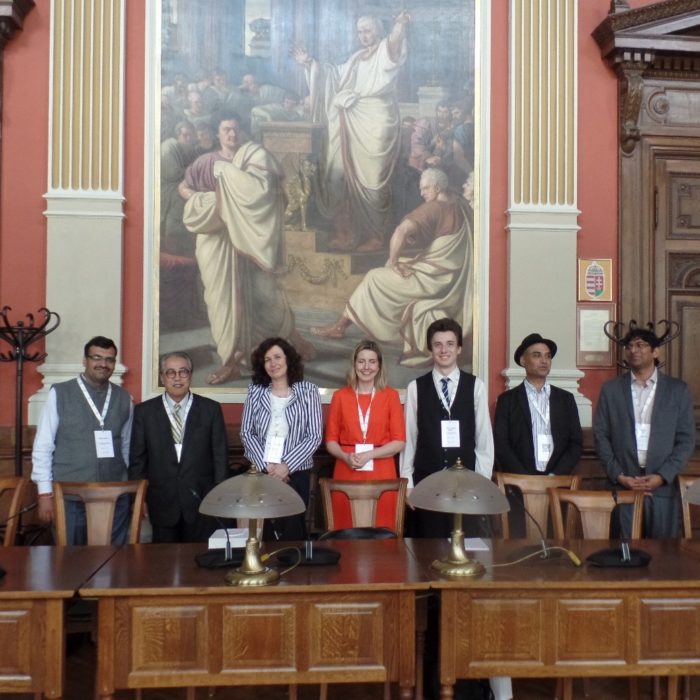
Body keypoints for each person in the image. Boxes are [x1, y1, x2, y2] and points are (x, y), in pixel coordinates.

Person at [180, 112, 315, 385]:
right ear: (218, 133)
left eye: (236, 129)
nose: (232, 134)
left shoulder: (254, 157)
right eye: (226, 129)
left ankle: (291, 338)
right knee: (221, 298)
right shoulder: (206, 161)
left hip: (251, 238)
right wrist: (205, 200)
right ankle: (230, 360)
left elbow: (268, 195)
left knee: (267, 293)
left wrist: (231, 189)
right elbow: (184, 188)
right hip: (216, 238)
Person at [311, 168, 473, 368]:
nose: (422, 193)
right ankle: (345, 325)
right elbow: (441, 240)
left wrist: (393, 261)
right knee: (401, 265)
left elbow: (401, 231)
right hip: (451, 280)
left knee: (374, 277)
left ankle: (340, 327)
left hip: (431, 281)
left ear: (438, 188)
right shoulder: (460, 206)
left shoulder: (433, 208)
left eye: (425, 188)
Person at [292, 12, 411, 251]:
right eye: (360, 32)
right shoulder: (356, 57)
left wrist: (399, 24)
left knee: (373, 180)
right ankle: (348, 234)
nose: (363, 36)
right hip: (349, 120)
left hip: (376, 120)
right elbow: (333, 77)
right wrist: (310, 64)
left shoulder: (385, 50)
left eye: (368, 31)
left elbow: (395, 43)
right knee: (343, 176)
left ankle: (376, 235)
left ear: (379, 31)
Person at [594, 324, 696, 538]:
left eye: (640, 345)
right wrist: (619, 475)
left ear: (656, 351)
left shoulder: (677, 390)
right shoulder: (611, 390)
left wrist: (662, 475)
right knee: (624, 549)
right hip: (623, 485)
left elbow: (686, 440)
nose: (633, 350)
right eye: (629, 346)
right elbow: (601, 435)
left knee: (662, 551)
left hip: (662, 487)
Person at [31, 336, 133, 545]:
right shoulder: (60, 393)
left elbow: (127, 446)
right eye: (97, 357)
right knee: (70, 558)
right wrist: (44, 494)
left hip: (114, 495)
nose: (103, 364)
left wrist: (130, 490)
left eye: (109, 359)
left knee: (114, 557)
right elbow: (43, 446)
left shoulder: (125, 398)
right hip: (70, 496)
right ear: (85, 360)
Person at [129, 352, 229, 543]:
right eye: (170, 372)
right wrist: (138, 498)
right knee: (164, 557)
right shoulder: (144, 412)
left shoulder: (210, 409)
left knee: (198, 556)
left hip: (201, 500)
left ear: (191, 375)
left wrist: (218, 497)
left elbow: (220, 457)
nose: (177, 378)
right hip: (161, 500)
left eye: (183, 372)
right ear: (162, 377)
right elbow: (137, 460)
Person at [240, 338, 322, 541]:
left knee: (292, 527)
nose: (273, 363)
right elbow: (247, 433)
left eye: (277, 357)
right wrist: (268, 467)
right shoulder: (255, 392)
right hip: (263, 472)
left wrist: (286, 467)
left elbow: (314, 435)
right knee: (265, 530)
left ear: (288, 360)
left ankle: (293, 559)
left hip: (296, 473)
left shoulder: (308, 391)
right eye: (267, 359)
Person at [325, 340, 405, 529]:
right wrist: (345, 456)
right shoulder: (340, 396)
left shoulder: (391, 396)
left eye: (371, 361)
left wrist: (369, 455)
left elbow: (399, 442)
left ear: (379, 366)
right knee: (345, 529)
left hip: (382, 471)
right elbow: (330, 441)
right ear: (354, 365)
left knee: (382, 528)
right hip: (347, 469)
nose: (366, 367)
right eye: (361, 361)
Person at [494, 333, 582, 475]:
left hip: (557, 479)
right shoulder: (507, 400)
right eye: (536, 355)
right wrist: (525, 479)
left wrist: (556, 475)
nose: (544, 361)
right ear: (523, 360)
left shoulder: (566, 399)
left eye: (548, 356)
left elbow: (575, 443)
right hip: (520, 480)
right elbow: (502, 444)